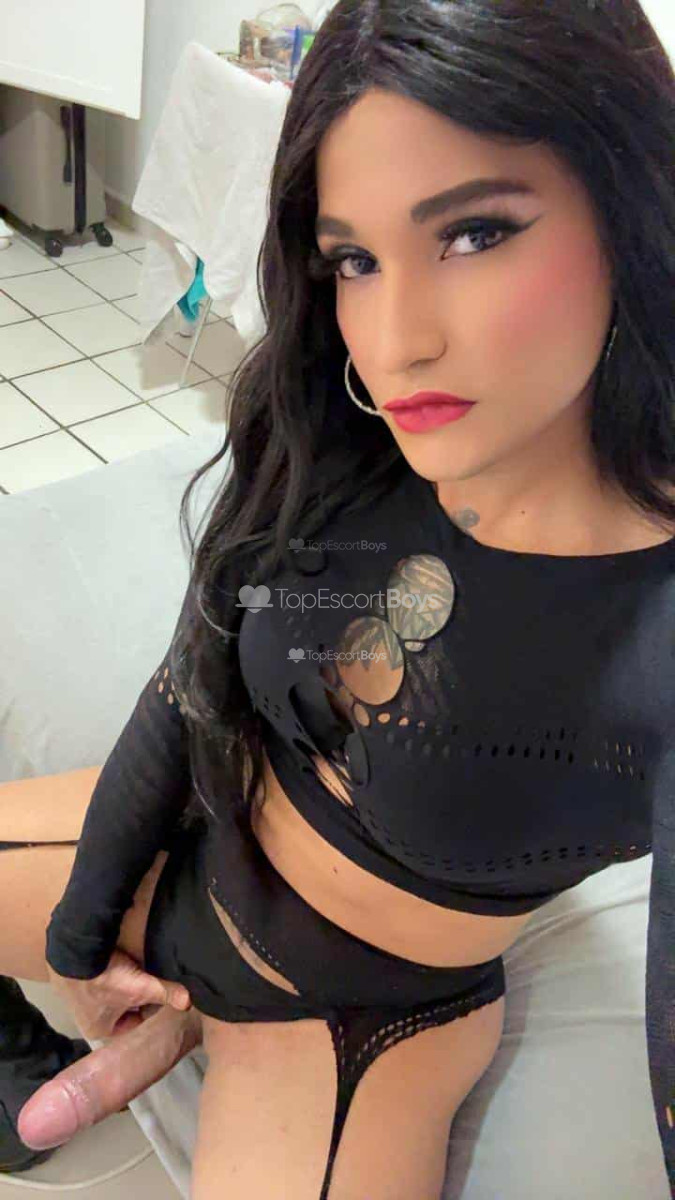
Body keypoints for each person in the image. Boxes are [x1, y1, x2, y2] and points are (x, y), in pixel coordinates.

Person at [2, 0, 675, 1195]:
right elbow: (199, 673)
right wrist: (80, 941)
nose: (395, 341)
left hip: (359, 1023)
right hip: (194, 840)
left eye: (474, 233)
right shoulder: (351, 443)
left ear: (633, 205)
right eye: (353, 259)